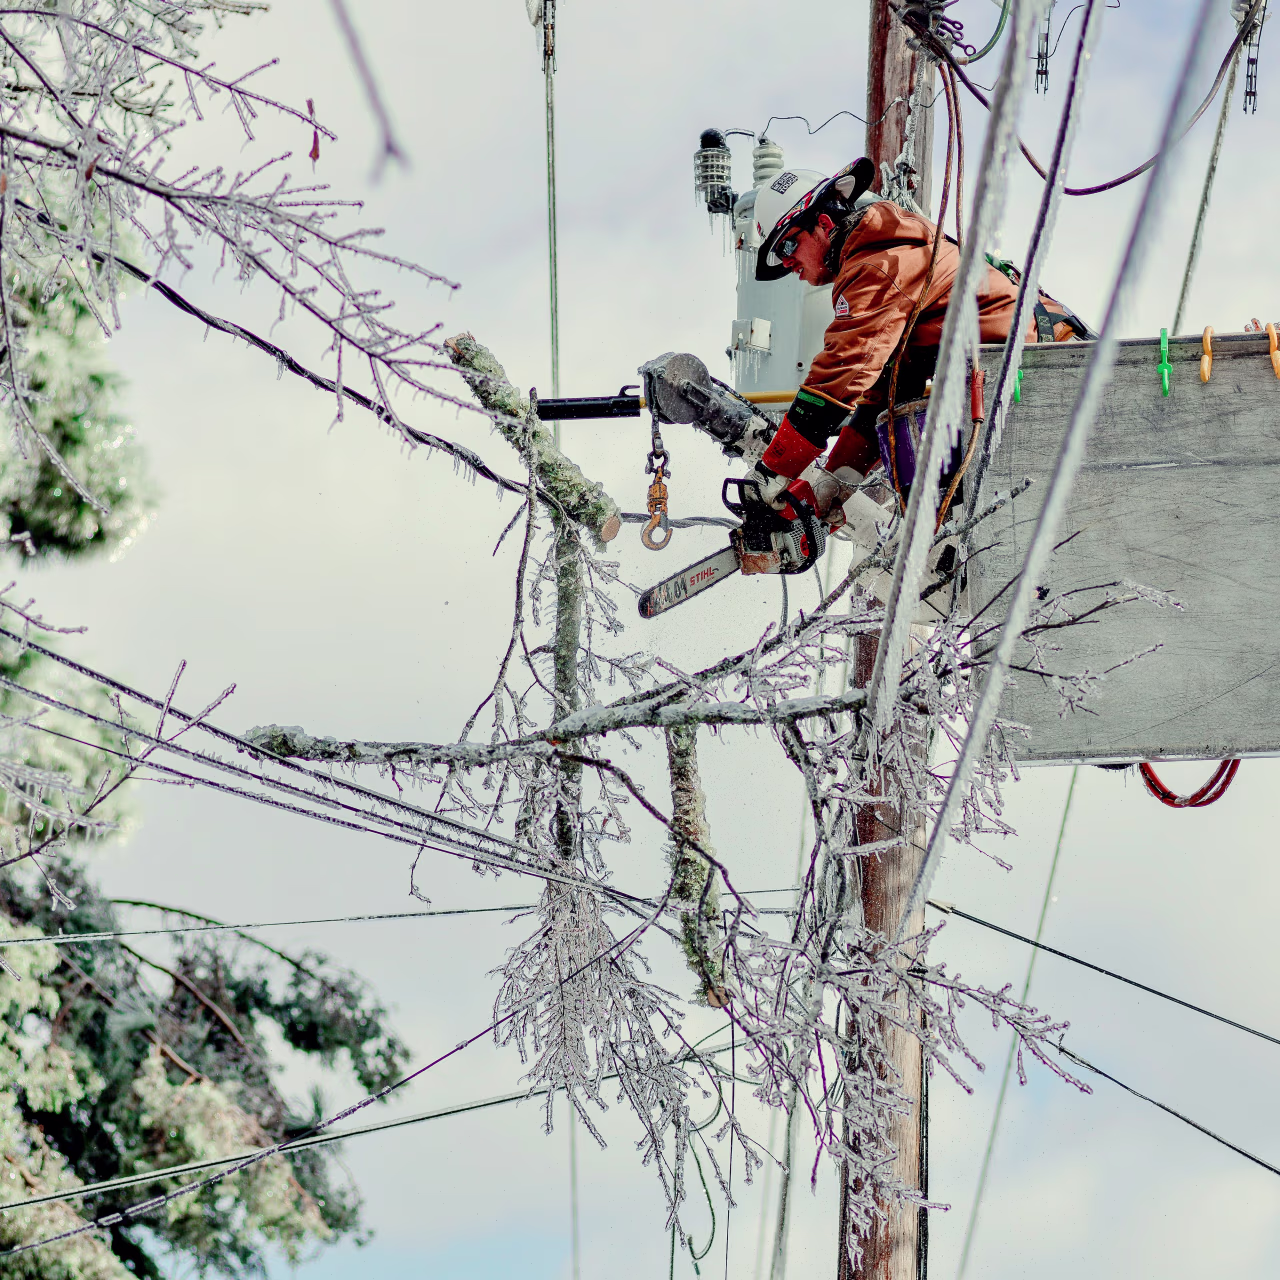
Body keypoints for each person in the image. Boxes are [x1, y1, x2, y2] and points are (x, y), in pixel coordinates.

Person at [745, 159, 1090, 521]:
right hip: (1019, 375)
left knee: (939, 488)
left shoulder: (878, 264)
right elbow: (882, 396)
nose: (787, 264)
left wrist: (771, 472)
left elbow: (842, 374)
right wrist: (832, 485)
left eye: (787, 247)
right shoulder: (880, 256)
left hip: (1045, 370)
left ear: (824, 224)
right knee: (904, 439)